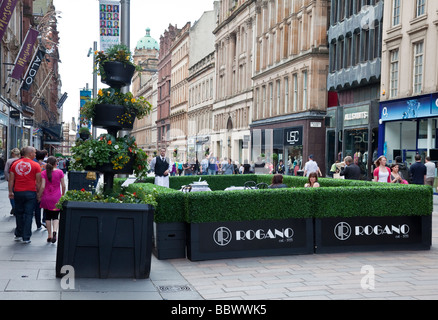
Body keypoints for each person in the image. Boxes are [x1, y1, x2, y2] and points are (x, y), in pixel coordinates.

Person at [8, 147, 42, 244]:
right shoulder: (36, 165)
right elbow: (38, 182)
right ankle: (26, 237)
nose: (35, 154)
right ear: (30, 153)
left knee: (19, 213)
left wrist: (10, 192)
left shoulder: (15, 164)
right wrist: (39, 194)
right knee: (28, 214)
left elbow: (11, 180)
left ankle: (18, 233)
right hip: (30, 192)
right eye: (35, 153)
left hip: (18, 191)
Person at [38, 156, 66, 243]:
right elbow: (63, 185)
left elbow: (42, 186)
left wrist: (39, 195)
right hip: (56, 197)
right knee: (55, 216)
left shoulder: (44, 173)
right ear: (55, 164)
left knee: (47, 216)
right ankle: (55, 232)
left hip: (46, 197)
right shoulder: (60, 172)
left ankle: (49, 235)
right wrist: (63, 194)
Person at [4, 148, 21, 215]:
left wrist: (8, 178)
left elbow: (5, 171)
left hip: (11, 180)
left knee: (11, 193)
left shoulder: (9, 161)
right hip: (19, 180)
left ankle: (14, 207)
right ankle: (18, 207)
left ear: (13, 154)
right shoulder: (20, 160)